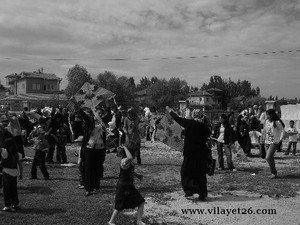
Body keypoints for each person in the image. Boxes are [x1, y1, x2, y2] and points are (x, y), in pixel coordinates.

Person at [166, 106, 211, 201]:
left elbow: (178, 119)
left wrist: (170, 111)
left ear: (193, 115)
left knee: (186, 172)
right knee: (200, 174)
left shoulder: (189, 124)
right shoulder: (205, 127)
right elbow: (207, 136)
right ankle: (202, 193)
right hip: (201, 153)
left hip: (190, 153)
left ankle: (189, 191)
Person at [108, 146, 145, 225]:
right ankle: (111, 222)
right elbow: (130, 157)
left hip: (129, 186)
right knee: (119, 206)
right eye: (135, 152)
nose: (136, 153)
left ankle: (139, 221)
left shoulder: (130, 162)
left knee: (141, 202)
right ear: (130, 152)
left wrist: (137, 175)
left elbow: (130, 171)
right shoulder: (124, 161)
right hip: (123, 187)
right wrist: (125, 147)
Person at [0, 124, 23, 212]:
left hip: (6, 172)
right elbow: (20, 164)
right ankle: (16, 204)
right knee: (14, 190)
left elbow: (1, 149)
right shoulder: (18, 154)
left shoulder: (5, 152)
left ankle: (8, 206)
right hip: (15, 173)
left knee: (6, 191)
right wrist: (21, 174)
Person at [262, 109, 285, 179]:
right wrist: (262, 138)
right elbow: (264, 130)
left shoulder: (277, 122)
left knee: (268, 157)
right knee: (270, 158)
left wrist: (280, 140)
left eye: (268, 115)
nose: (267, 116)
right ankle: (274, 173)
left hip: (274, 142)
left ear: (272, 115)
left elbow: (282, 131)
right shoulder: (266, 121)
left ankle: (273, 172)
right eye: (267, 114)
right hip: (267, 142)